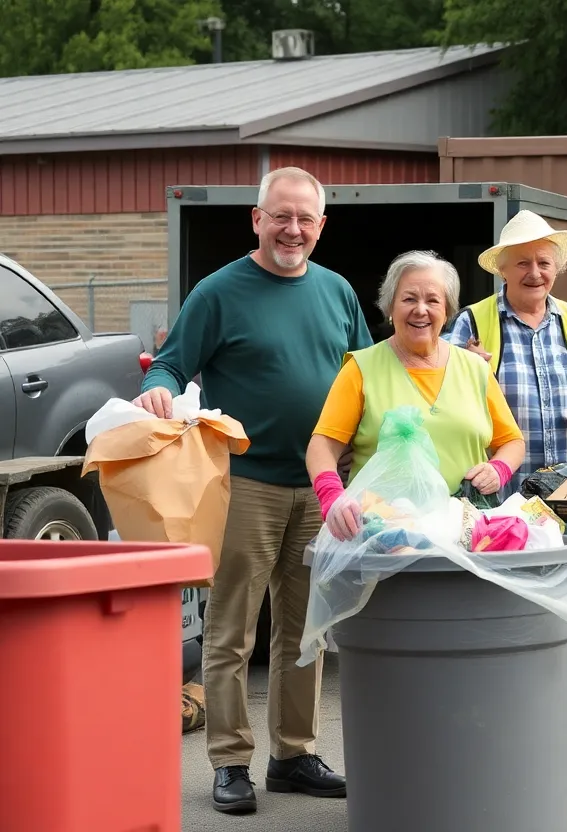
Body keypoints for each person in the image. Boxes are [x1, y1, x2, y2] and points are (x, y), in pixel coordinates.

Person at [137, 167, 369, 814]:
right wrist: (158, 386)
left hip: (322, 489)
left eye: (306, 219)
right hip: (247, 483)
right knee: (233, 632)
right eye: (281, 216)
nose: (293, 229)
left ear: (321, 227)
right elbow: (171, 361)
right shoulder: (219, 291)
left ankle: (294, 755)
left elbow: (365, 376)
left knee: (307, 632)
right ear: (257, 220)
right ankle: (230, 761)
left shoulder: (337, 291)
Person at [306, 250, 526, 533]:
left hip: (464, 533)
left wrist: (499, 469)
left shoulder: (476, 369)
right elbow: (322, 445)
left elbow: (513, 442)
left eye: (432, 300)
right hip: (382, 535)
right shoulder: (361, 368)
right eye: (409, 299)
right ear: (390, 308)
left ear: (446, 311)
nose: (421, 310)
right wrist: (332, 498)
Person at [445, 211, 567, 491]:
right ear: (503, 270)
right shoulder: (472, 321)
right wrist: (466, 374)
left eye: (544, 263)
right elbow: (440, 397)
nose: (535, 273)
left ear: (556, 269)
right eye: (523, 263)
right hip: (501, 494)